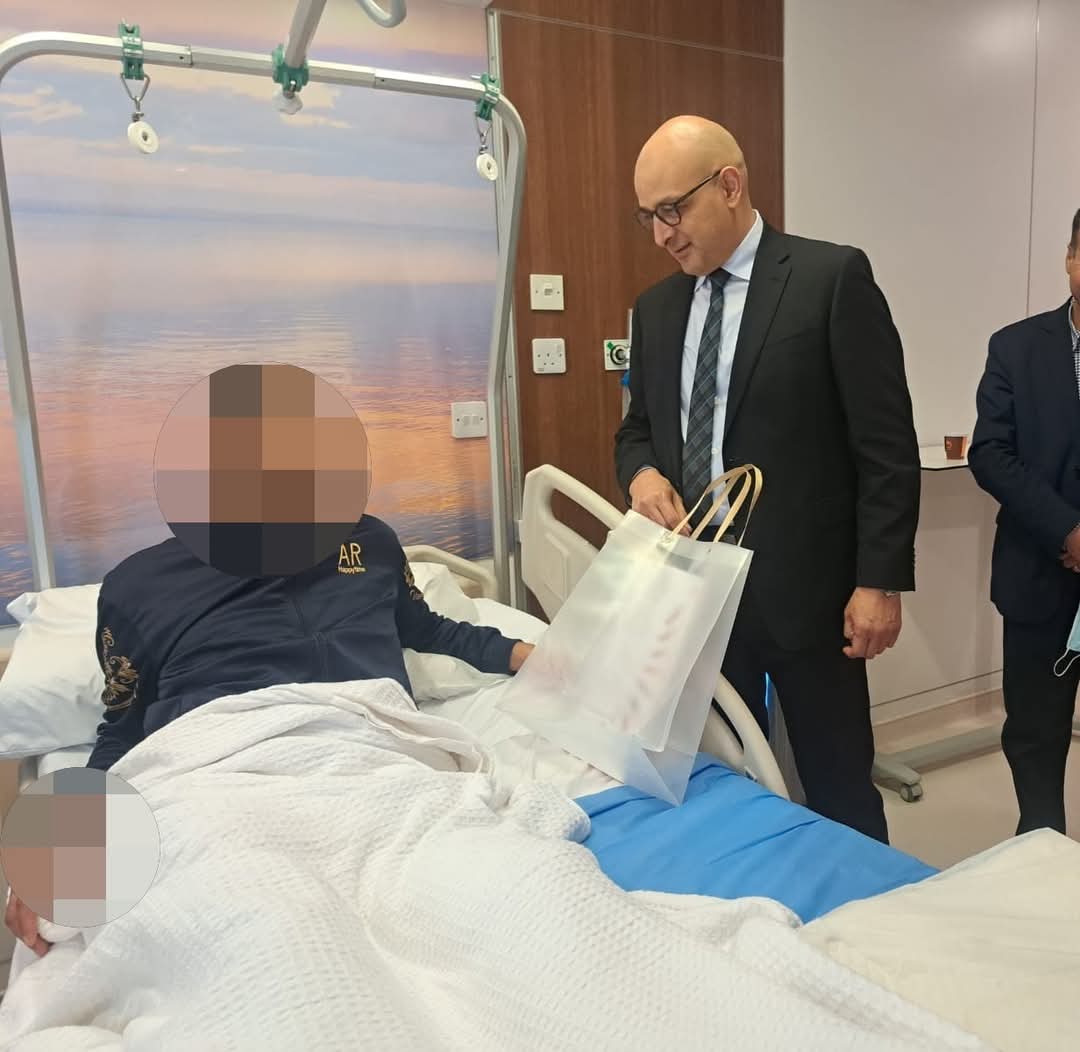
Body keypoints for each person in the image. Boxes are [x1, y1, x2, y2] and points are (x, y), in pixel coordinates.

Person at [5, 513, 533, 956]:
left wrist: (526, 655)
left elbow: (425, 628)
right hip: (214, 769)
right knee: (248, 931)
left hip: (372, 751)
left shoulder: (366, 541)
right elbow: (124, 722)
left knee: (497, 900)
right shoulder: (140, 584)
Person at [615, 116, 921, 843]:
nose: (660, 235)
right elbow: (636, 430)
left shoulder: (828, 280)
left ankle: (870, 902)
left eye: (672, 210)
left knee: (838, 781)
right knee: (722, 776)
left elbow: (884, 444)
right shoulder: (657, 309)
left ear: (729, 185)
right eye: (647, 216)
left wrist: (878, 581)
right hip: (696, 592)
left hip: (808, 594)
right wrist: (643, 474)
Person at [968, 207, 1080, 836]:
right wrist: (1069, 531)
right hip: (1039, 575)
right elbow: (991, 454)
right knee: (1036, 732)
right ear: (1070, 258)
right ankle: (1041, 846)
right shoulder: (1015, 347)